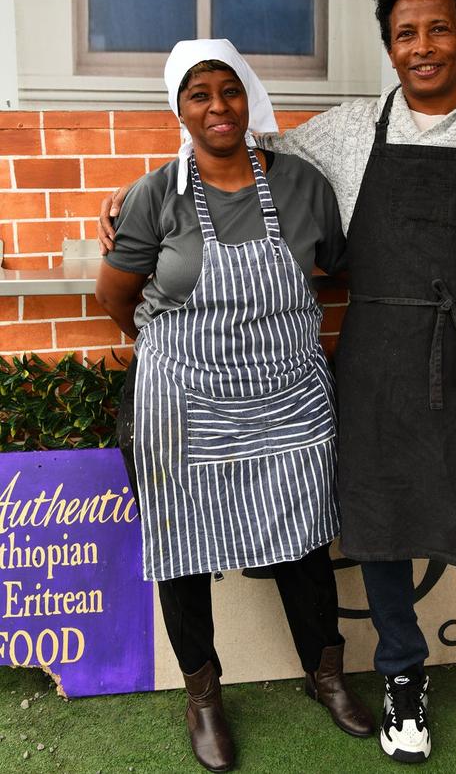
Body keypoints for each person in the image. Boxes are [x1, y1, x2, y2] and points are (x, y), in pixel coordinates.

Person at [99, 0, 456, 764]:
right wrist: (134, 190)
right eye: (404, 34)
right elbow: (236, 145)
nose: (421, 47)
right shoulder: (349, 131)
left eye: (437, 30)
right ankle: (401, 677)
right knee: (383, 530)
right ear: (389, 47)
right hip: (378, 364)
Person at [95, 38, 373, 774]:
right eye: (198, 94)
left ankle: (327, 675)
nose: (217, 106)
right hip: (185, 395)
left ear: (248, 95)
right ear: (178, 108)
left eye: (229, 89)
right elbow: (117, 296)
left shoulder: (306, 185)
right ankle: (205, 696)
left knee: (304, 538)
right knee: (181, 548)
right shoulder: (156, 194)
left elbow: (337, 270)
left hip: (287, 392)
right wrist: (177, 353)